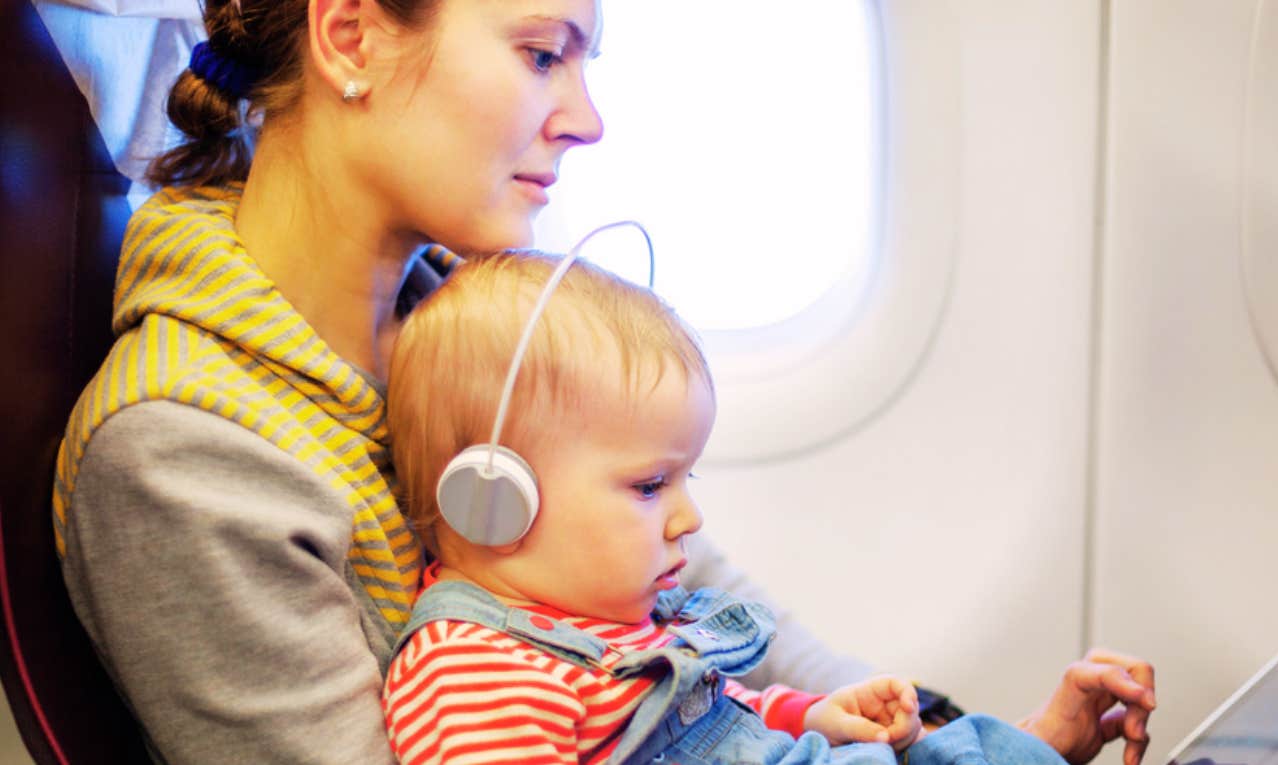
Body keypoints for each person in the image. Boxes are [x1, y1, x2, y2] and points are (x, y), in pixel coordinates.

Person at [48, 0, 1155, 762]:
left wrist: (944, 734)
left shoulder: (473, 328)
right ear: (350, 38)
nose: (586, 115)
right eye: (542, 52)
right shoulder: (187, 460)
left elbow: (720, 616)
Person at [381, 250, 1084, 765]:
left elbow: (708, 715)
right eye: (651, 486)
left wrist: (812, 714)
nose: (689, 517)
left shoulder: (603, 616)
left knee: (954, 751)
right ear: (493, 503)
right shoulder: (475, 677)